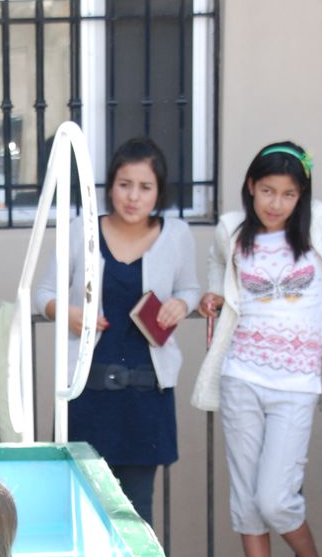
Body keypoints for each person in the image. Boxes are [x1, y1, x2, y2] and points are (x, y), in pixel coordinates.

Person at [191, 140, 322, 557]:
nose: (276, 203)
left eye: (287, 193)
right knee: (246, 500)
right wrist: (214, 293)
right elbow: (219, 265)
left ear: (301, 194)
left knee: (275, 499)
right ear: (251, 187)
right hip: (243, 375)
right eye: (267, 191)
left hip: (297, 383)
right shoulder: (230, 230)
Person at [34, 136, 200, 524]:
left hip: (147, 395)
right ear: (110, 186)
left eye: (145, 187)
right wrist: (68, 313)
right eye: (124, 184)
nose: (133, 197)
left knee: (136, 514)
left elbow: (189, 287)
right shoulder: (82, 229)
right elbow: (42, 293)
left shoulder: (175, 234)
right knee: (80, 507)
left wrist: (184, 304)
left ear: (159, 192)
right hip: (87, 391)